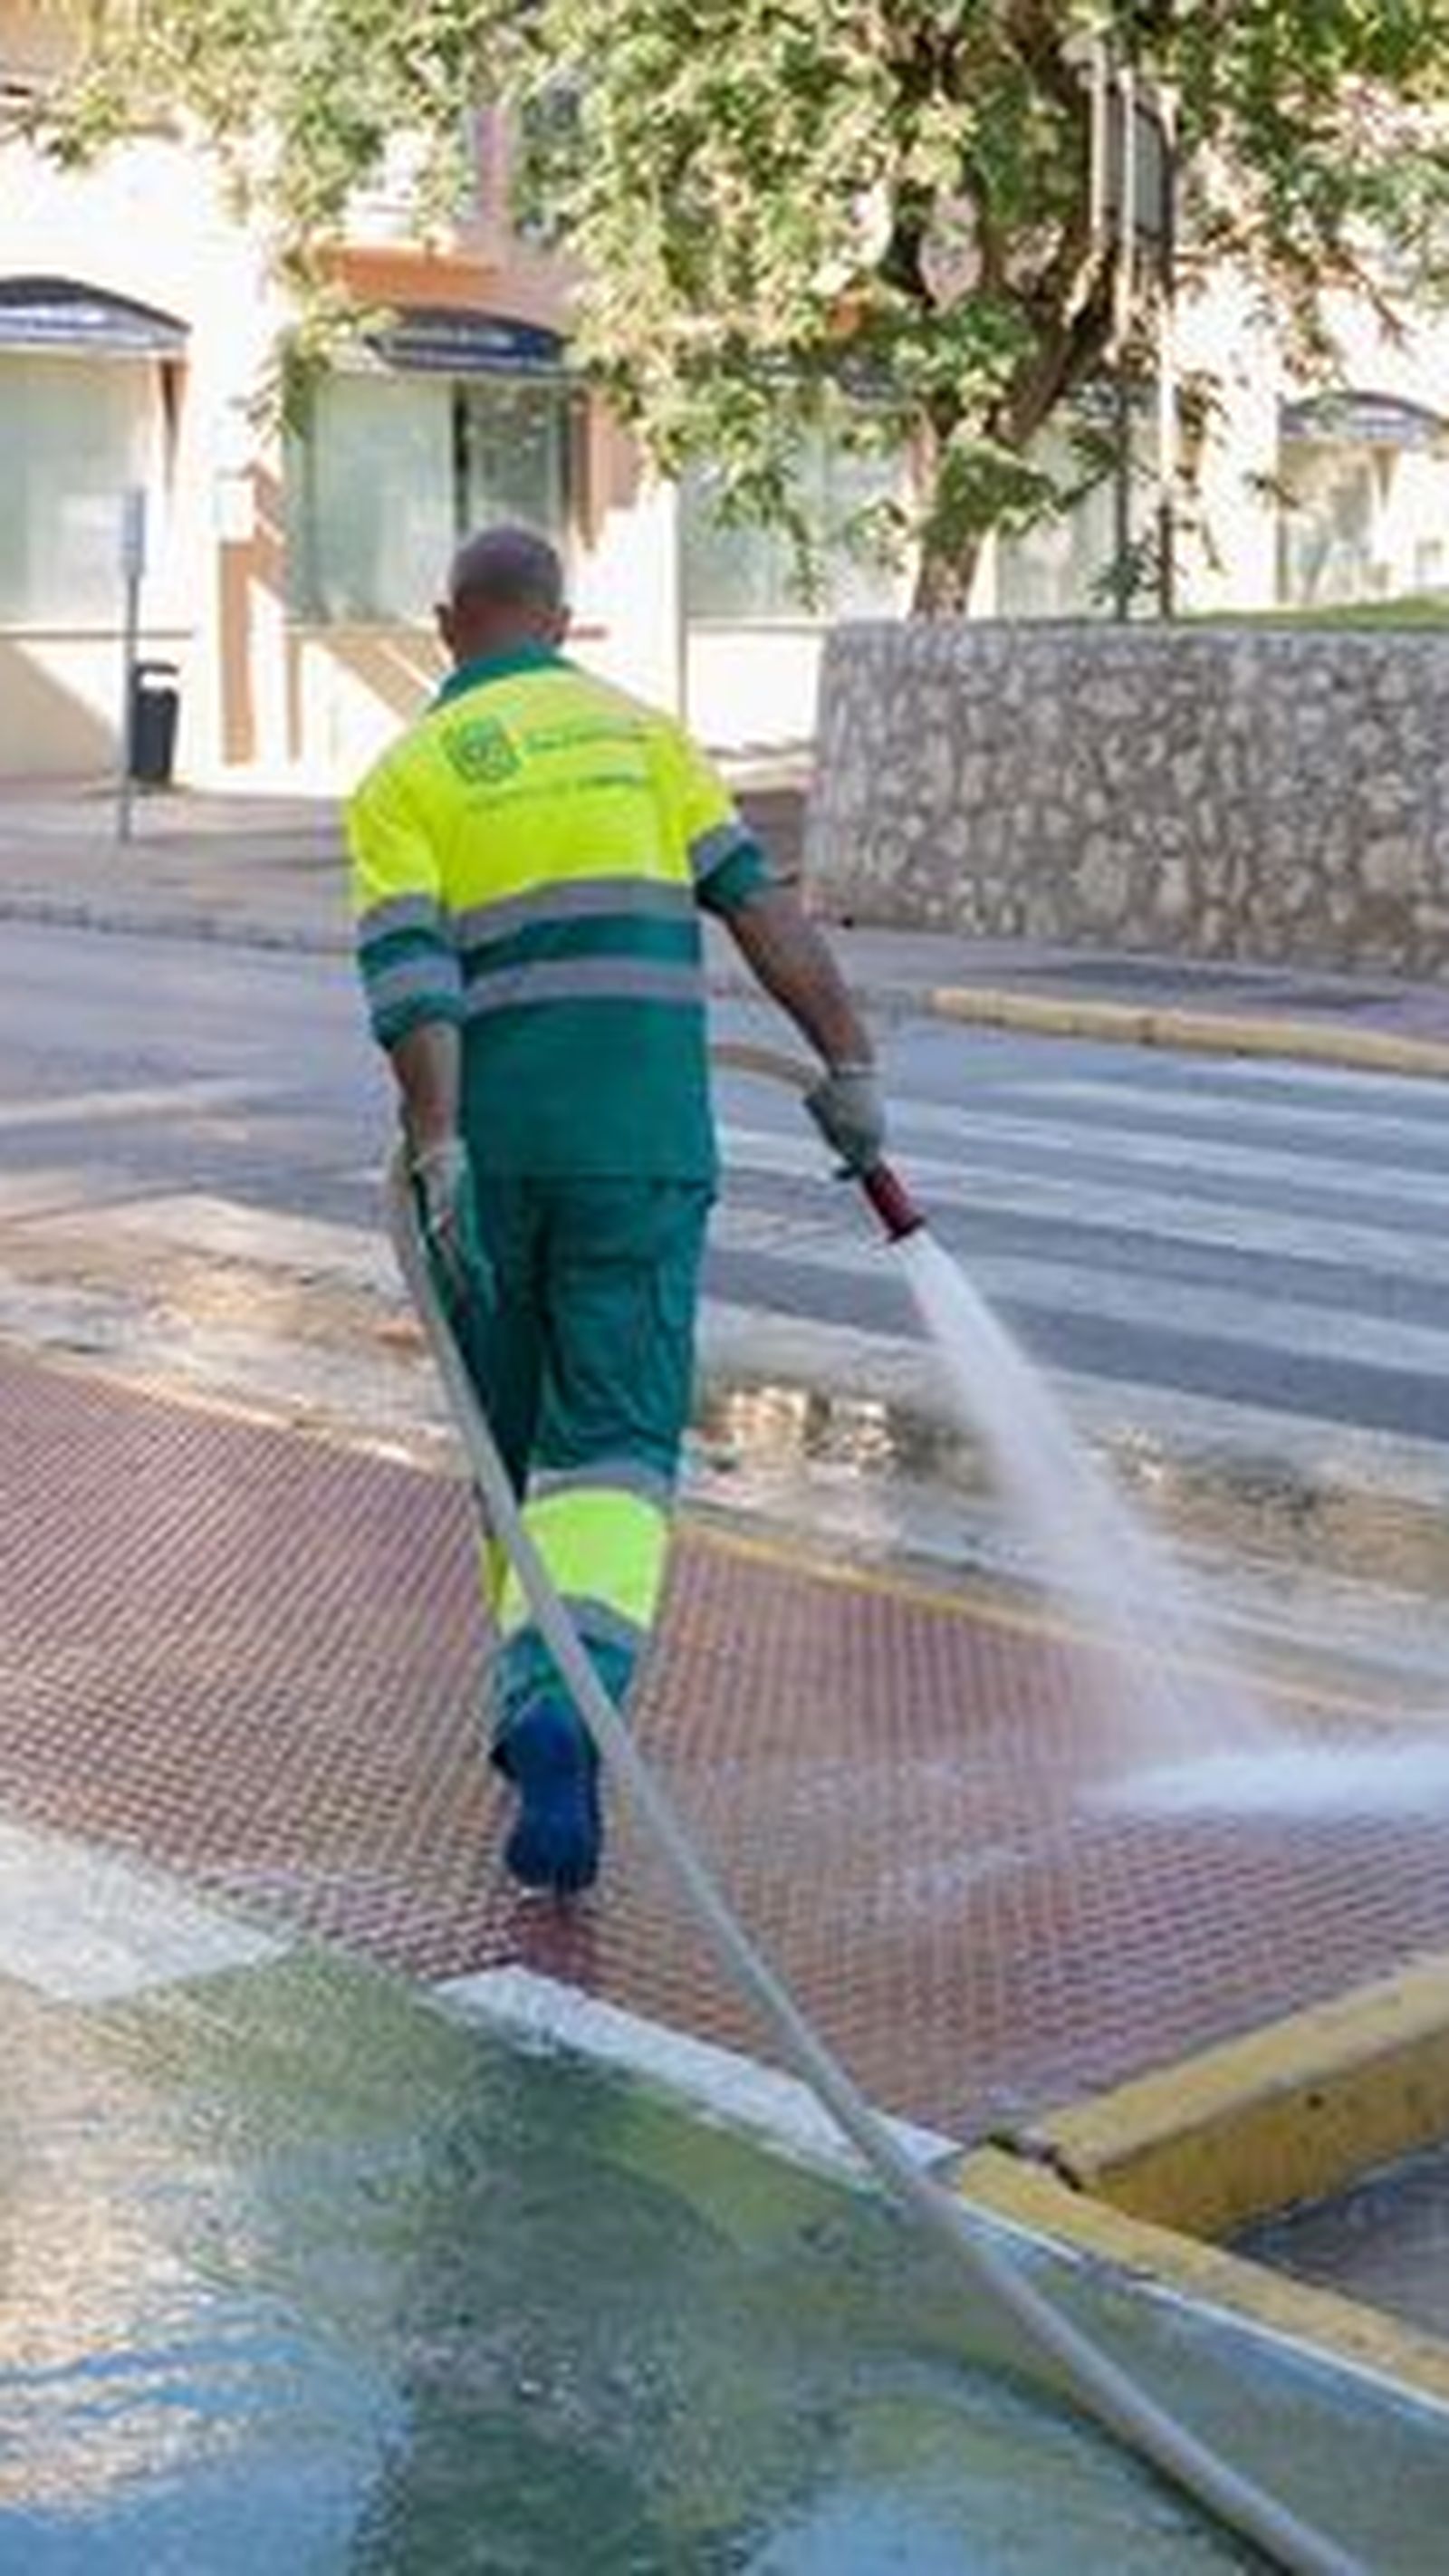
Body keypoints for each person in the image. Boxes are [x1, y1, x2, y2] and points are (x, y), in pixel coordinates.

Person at [347, 526, 885, 1896]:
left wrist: (440, 1142)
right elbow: (767, 918)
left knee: (512, 1451)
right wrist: (850, 1068)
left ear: (444, 622)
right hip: (642, 1154)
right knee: (620, 1449)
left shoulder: (405, 777)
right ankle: (560, 1710)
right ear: (564, 619)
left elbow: (413, 982)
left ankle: (537, 1699)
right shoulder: (646, 741)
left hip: (493, 1170)